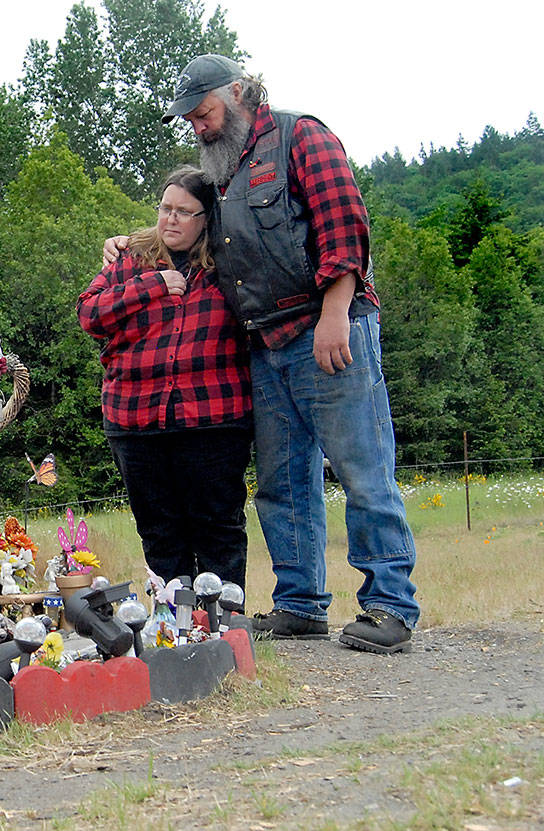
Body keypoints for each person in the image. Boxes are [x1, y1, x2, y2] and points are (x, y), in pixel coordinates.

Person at [105, 54, 419, 653]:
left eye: (206, 113)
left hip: (329, 328)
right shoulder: (222, 170)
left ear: (243, 92)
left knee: (362, 469)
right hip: (264, 342)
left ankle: (389, 605)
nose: (199, 126)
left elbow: (345, 225)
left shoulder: (304, 136)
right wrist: (129, 243)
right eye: (191, 120)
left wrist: (334, 316)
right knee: (282, 481)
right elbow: (187, 233)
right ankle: (300, 603)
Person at [79, 166, 251, 591]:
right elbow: (89, 314)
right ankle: (174, 626)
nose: (170, 219)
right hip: (135, 418)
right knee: (158, 530)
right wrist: (152, 285)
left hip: (212, 417)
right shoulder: (130, 259)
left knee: (218, 528)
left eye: (184, 212)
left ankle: (223, 628)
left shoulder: (230, 264)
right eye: (165, 209)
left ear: (207, 219)